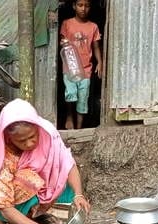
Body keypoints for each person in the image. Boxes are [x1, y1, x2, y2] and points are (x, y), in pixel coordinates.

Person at [0, 99, 91, 224]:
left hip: (21, 193)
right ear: (9, 138)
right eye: (22, 141)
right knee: (30, 180)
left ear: (37, 127)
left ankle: (32, 215)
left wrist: (79, 194)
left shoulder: (47, 133)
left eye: (32, 136)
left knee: (61, 177)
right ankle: (2, 220)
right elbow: (5, 205)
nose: (29, 144)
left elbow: (67, 163)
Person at [60, 0, 103, 130]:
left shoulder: (93, 27)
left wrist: (100, 62)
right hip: (70, 68)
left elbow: (96, 47)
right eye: (80, 5)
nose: (83, 9)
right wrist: (63, 43)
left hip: (86, 69)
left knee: (83, 99)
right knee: (70, 93)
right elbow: (62, 43)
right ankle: (69, 117)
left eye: (87, 6)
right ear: (74, 6)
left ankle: (79, 129)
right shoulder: (67, 24)